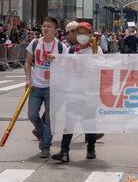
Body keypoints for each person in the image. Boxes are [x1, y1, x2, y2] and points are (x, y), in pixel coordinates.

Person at [52, 23, 103, 163]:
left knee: (89, 122)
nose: (81, 35)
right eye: (79, 32)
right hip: (74, 91)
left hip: (90, 92)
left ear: (90, 34)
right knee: (70, 121)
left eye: (84, 32)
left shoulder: (96, 50)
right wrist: (55, 61)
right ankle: (64, 151)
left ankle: (91, 147)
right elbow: (64, 68)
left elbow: (102, 68)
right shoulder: (72, 50)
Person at [24, 17, 68, 158]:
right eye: (43, 26)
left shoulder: (61, 47)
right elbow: (27, 62)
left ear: (55, 30)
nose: (45, 28)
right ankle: (44, 135)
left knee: (50, 118)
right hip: (36, 86)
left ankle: (45, 147)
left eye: (49, 26)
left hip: (52, 87)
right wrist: (28, 80)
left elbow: (68, 67)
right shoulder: (35, 42)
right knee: (32, 115)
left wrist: (57, 61)